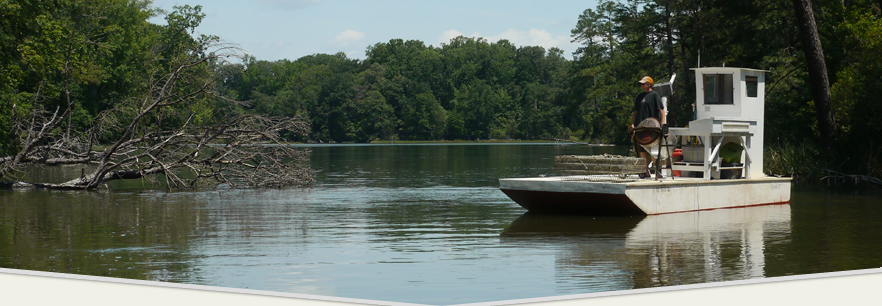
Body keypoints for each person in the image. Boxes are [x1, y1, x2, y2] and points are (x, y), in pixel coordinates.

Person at [630, 76, 665, 177]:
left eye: (643, 83)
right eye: (641, 83)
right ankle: (646, 171)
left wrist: (662, 124)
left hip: (652, 126)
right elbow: (635, 112)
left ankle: (657, 171)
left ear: (649, 84)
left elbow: (661, 110)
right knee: (642, 149)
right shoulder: (639, 96)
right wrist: (633, 124)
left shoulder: (655, 95)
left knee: (653, 150)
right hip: (640, 127)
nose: (641, 85)